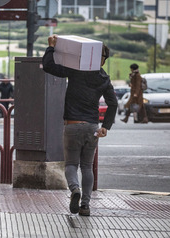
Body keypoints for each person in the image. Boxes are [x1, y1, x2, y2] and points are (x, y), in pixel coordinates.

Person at [42, 35, 117, 216]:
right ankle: (85, 205)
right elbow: (113, 103)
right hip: (92, 128)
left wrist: (51, 47)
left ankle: (74, 189)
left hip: (72, 126)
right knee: (87, 166)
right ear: (102, 60)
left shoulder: (76, 70)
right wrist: (106, 126)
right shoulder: (104, 78)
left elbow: (49, 66)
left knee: (71, 165)